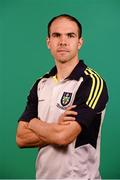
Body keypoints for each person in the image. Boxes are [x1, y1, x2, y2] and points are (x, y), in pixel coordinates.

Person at [16, 14, 108, 179]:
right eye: (56, 35)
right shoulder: (40, 84)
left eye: (70, 35)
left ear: (79, 42)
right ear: (48, 42)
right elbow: (21, 138)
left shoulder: (92, 82)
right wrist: (56, 126)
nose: (63, 41)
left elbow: (63, 137)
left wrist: (33, 122)